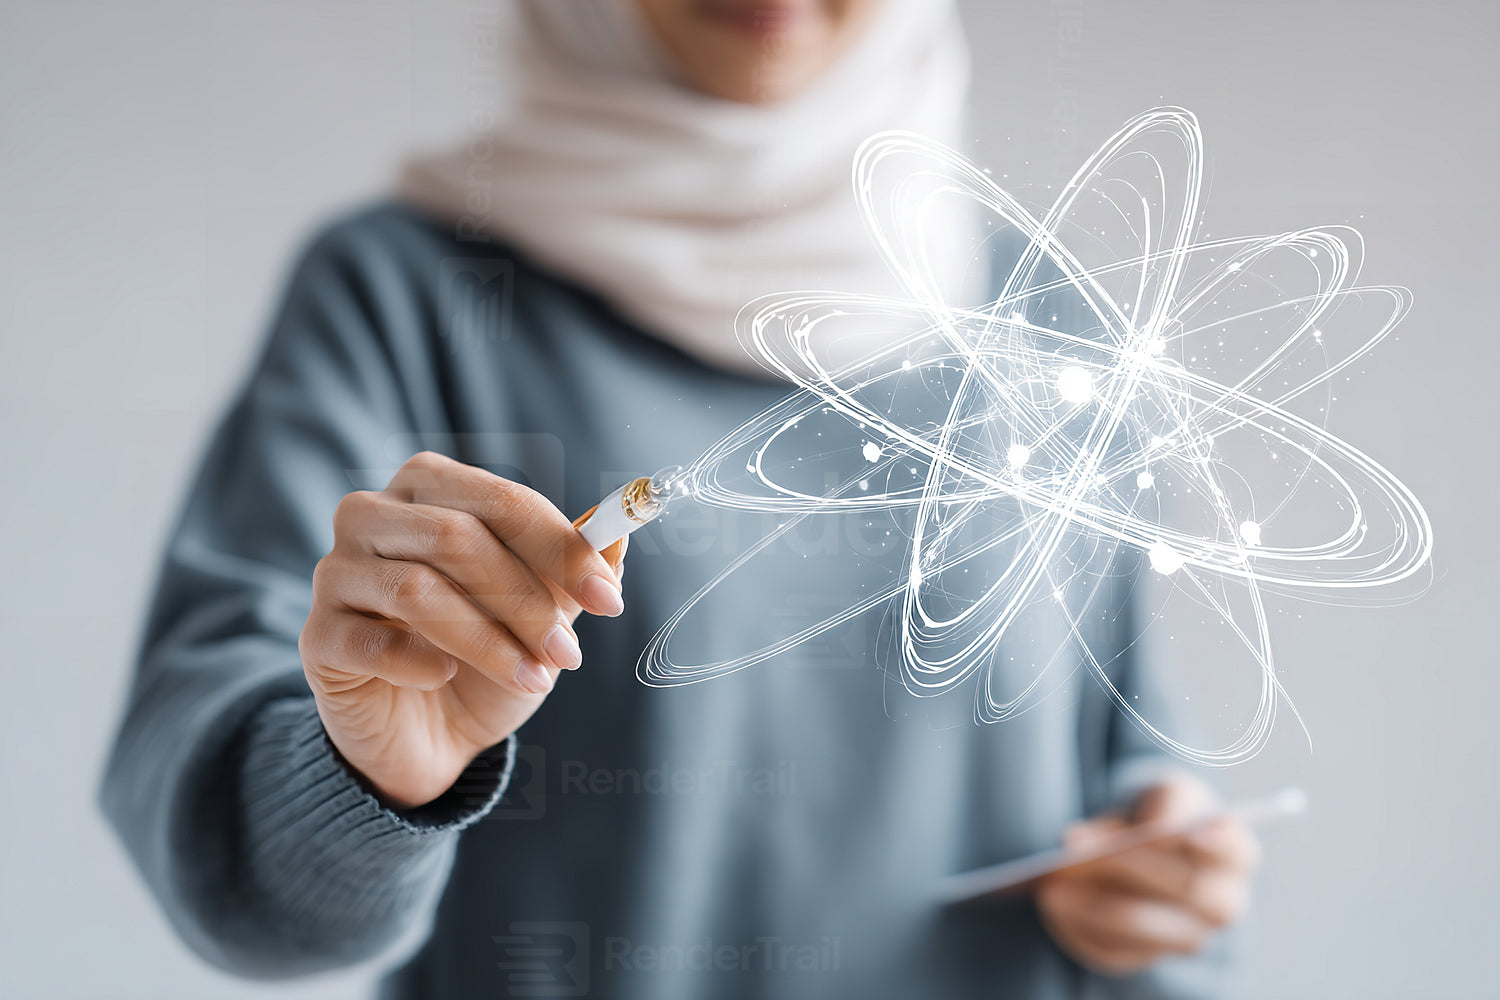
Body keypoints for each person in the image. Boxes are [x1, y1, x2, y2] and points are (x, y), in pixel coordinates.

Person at [101, 1, 1259, 997]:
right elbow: (235, 872)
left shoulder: (1041, 310)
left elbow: (1124, 741)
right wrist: (370, 776)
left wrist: (1165, 870)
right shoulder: (407, 298)